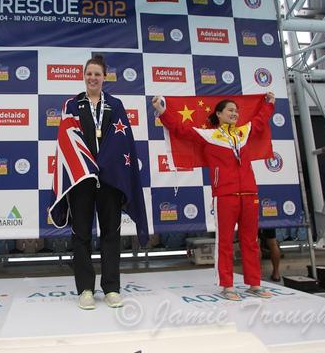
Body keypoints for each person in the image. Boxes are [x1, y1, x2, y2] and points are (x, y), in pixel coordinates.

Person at [152, 92, 275, 301]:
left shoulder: (243, 133)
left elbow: (260, 120)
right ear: (219, 114)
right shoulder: (208, 135)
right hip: (225, 195)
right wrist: (162, 111)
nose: (234, 113)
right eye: (230, 110)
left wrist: (269, 104)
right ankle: (227, 285)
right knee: (225, 241)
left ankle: (254, 284)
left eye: (236, 111)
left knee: (251, 241)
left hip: (249, 194)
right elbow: (180, 130)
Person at [49, 55, 149, 310]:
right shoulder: (72, 104)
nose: (92, 78)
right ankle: (84, 288)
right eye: (89, 73)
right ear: (83, 76)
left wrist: (103, 164)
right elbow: (67, 141)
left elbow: (123, 142)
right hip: (82, 180)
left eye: (97, 74)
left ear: (105, 77)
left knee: (111, 234)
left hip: (109, 180)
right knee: (80, 234)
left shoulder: (115, 104)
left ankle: (112, 288)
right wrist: (88, 166)